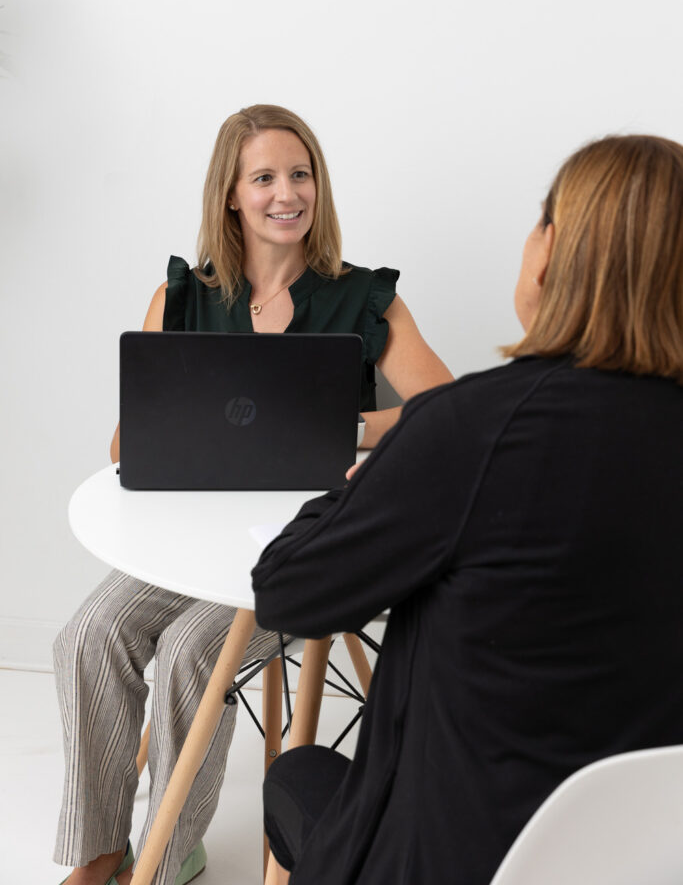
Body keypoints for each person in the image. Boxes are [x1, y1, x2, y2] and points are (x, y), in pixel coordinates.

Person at [253, 133, 683, 885]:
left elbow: (288, 590)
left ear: (549, 253)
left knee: (297, 777)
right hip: (650, 855)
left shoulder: (474, 428)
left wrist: (362, 478)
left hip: (456, 859)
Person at [53, 104, 453, 885]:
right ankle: (102, 849)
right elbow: (121, 448)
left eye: (299, 175)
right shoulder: (181, 299)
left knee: (190, 654)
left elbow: (446, 413)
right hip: (189, 535)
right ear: (230, 195)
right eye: (263, 177)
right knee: (87, 634)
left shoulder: (364, 299)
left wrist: (350, 427)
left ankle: (168, 856)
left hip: (308, 542)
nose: (286, 193)